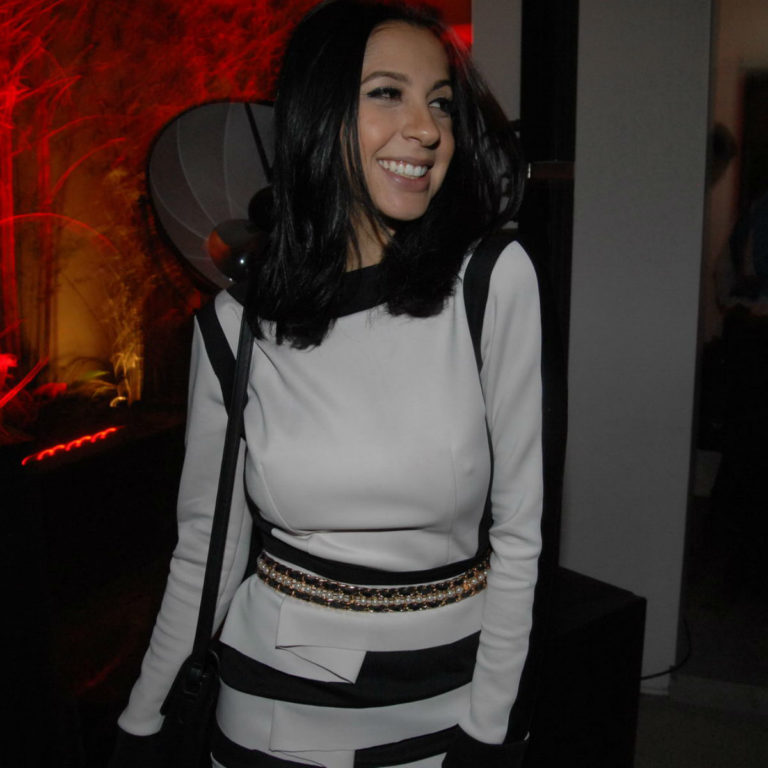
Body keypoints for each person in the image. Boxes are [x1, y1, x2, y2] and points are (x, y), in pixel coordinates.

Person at [111, 1, 544, 766]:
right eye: (387, 93)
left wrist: (489, 727)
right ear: (319, 114)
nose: (426, 128)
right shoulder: (237, 324)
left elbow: (520, 534)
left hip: (448, 703)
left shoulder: (490, 282)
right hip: (269, 708)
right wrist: (140, 722)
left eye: (441, 102)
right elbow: (206, 547)